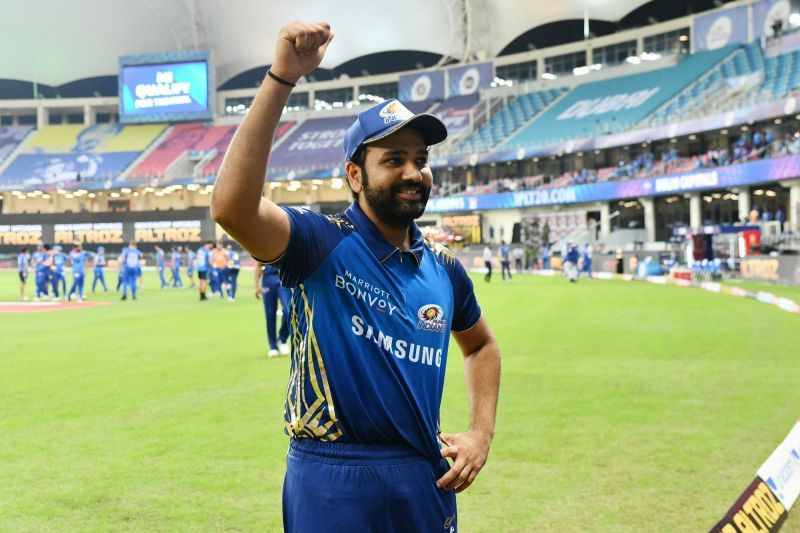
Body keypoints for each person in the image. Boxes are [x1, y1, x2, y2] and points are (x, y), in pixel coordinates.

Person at [210, 21, 499, 532]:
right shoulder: (318, 243)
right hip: (331, 478)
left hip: (421, 474)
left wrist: (480, 432)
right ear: (355, 175)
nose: (414, 173)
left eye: (421, 159)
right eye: (394, 160)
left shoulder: (444, 268)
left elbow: (480, 347)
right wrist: (282, 77)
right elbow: (232, 208)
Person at [254, 262, 290, 356]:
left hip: (283, 276)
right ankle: (273, 346)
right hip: (268, 279)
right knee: (270, 313)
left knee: (288, 310)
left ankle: (282, 338)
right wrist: (256, 285)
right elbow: (258, 265)